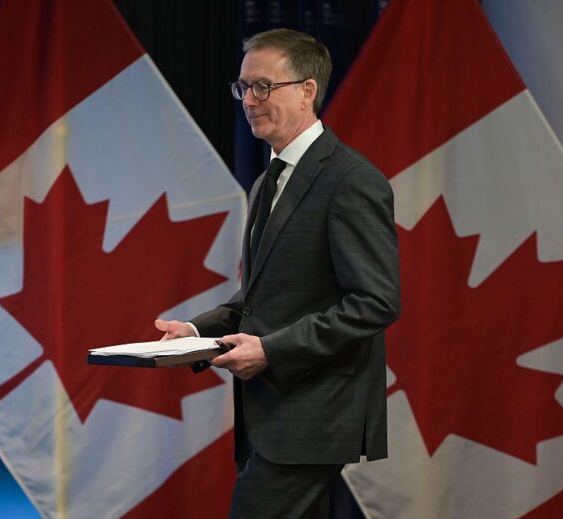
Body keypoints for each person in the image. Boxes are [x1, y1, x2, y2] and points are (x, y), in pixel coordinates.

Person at [155, 28, 400, 518]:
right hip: (272, 413)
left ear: (307, 90)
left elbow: (376, 302)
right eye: (244, 87)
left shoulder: (351, 180)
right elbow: (260, 298)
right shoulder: (268, 180)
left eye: (263, 86)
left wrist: (270, 350)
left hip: (314, 413)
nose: (249, 100)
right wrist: (197, 334)